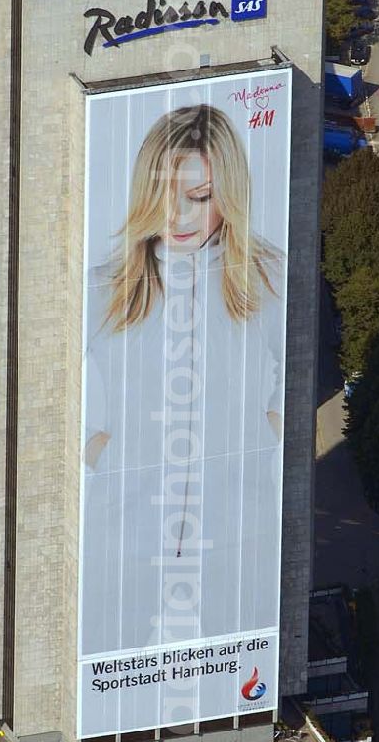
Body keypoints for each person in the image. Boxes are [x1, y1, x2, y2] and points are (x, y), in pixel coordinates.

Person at [82, 102, 287, 676]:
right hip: (126, 526)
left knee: (243, 680)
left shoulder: (270, 280)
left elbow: (299, 389)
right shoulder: (104, 289)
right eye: (166, 194)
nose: (178, 215)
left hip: (237, 527)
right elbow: (54, 399)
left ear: (231, 195)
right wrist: (100, 451)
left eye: (200, 197)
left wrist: (262, 438)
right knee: (104, 676)